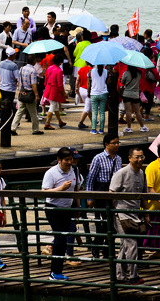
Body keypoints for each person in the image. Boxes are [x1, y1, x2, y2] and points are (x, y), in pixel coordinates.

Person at [110, 146, 148, 284]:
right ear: (130, 158)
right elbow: (112, 193)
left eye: (142, 156)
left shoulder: (142, 173)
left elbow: (144, 195)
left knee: (125, 246)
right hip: (122, 214)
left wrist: (146, 213)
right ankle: (133, 275)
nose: (140, 159)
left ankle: (119, 276)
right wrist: (114, 213)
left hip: (136, 214)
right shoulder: (121, 173)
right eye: (137, 157)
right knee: (131, 244)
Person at [41, 147, 79, 281]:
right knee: (60, 239)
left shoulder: (74, 170)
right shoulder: (51, 173)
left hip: (67, 209)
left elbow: (76, 189)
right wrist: (61, 189)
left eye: (71, 160)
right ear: (59, 160)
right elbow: (44, 192)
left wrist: (77, 207)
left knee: (63, 241)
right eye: (67, 160)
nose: (69, 162)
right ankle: (54, 272)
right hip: (53, 209)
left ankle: (57, 271)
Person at [85, 133, 122, 257]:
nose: (117, 145)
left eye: (118, 143)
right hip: (101, 190)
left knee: (115, 221)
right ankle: (99, 245)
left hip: (114, 192)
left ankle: (105, 247)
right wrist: (89, 197)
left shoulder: (119, 158)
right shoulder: (98, 158)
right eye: (114, 143)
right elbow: (90, 178)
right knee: (108, 220)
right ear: (106, 145)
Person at [13, 53, 42, 135]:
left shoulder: (21, 68)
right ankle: (35, 129)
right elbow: (33, 84)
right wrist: (36, 95)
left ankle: (13, 127)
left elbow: (19, 81)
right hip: (30, 94)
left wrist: (19, 90)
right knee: (33, 113)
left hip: (22, 93)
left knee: (19, 112)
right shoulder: (33, 70)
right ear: (33, 61)